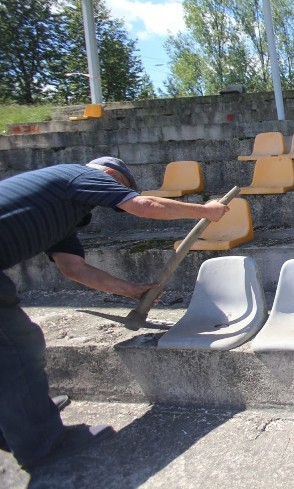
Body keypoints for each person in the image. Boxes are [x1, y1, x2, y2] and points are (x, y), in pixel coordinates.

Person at [0, 157, 229, 471]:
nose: (114, 202)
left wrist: (131, 291)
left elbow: (73, 269)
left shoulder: (65, 210)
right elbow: (145, 205)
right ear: (110, 176)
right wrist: (206, 211)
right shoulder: (78, 175)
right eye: (119, 190)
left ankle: (19, 421)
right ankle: (44, 442)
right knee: (16, 349)